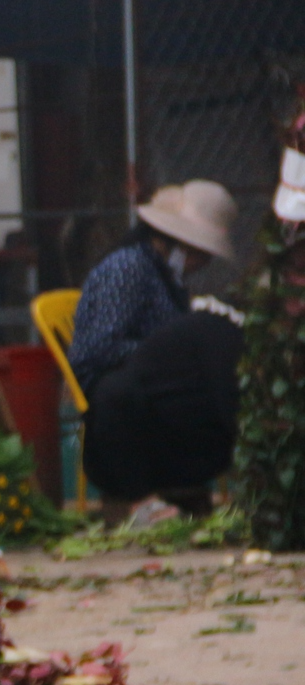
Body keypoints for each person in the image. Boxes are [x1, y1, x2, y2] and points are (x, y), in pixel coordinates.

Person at [68, 180, 242, 519]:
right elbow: (98, 349)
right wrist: (163, 354)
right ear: (179, 245)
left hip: (161, 397)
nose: (202, 263)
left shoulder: (167, 279)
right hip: (121, 407)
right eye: (200, 254)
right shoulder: (128, 268)